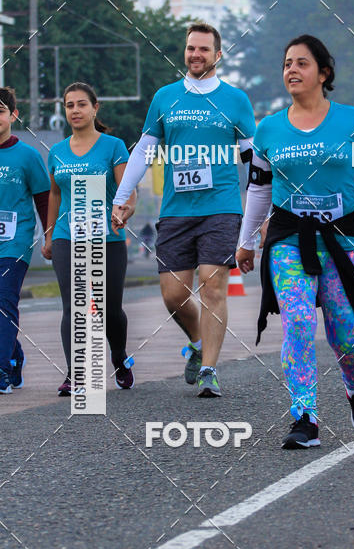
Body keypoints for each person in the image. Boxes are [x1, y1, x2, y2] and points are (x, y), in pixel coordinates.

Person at [236, 34, 354, 449]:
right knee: (297, 322)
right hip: (288, 238)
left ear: (323, 73)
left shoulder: (349, 119)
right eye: (287, 64)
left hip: (342, 238)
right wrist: (246, 241)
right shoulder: (269, 129)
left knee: (344, 333)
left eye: (301, 63)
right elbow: (259, 191)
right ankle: (305, 418)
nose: (291, 70)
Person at [112, 21, 256, 397]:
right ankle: (196, 341)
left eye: (204, 49)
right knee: (174, 295)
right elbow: (144, 151)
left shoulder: (235, 100)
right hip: (176, 209)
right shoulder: (165, 97)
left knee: (212, 286)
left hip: (221, 206)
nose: (196, 54)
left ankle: (209, 368)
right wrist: (121, 197)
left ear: (218, 55)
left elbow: (252, 159)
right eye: (191, 48)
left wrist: (264, 209)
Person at [42, 82, 137, 395]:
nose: (75, 111)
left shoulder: (113, 146)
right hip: (68, 237)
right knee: (75, 304)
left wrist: (124, 212)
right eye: (69, 105)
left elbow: (127, 191)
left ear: (95, 108)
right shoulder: (56, 151)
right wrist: (49, 233)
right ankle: (76, 374)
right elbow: (55, 193)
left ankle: (120, 357)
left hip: (107, 238)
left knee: (110, 309)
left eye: (81, 104)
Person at [0, 87, 50, 394]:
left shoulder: (27, 156)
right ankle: (15, 355)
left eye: (0, 111)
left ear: (13, 115)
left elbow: (44, 199)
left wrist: (48, 237)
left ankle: (2, 369)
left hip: (15, 242)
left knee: (4, 300)